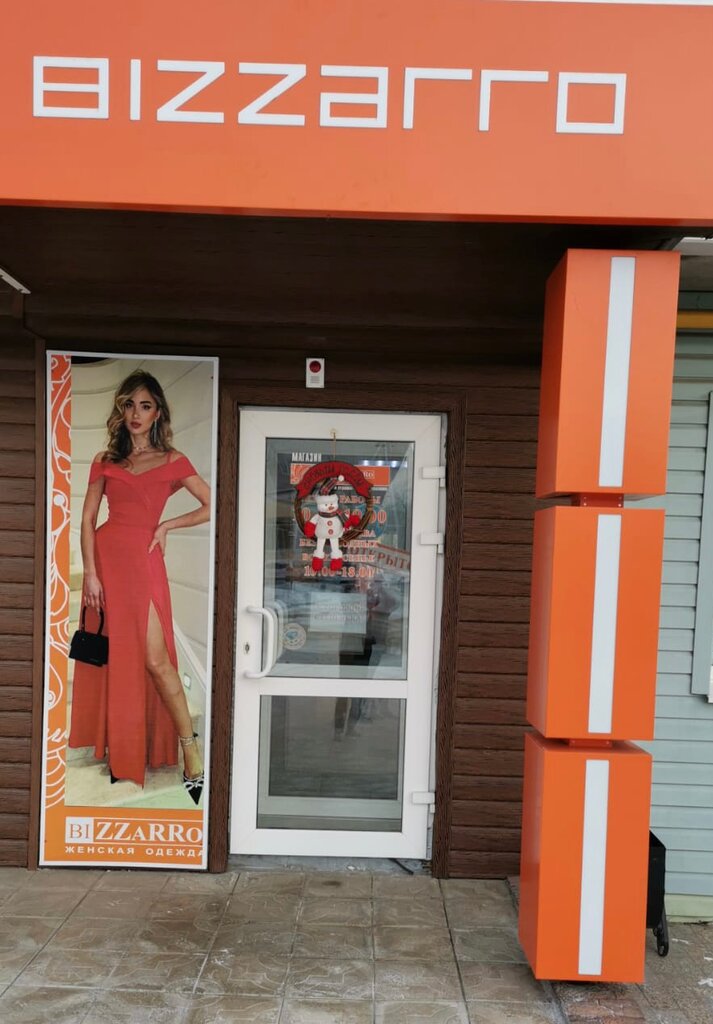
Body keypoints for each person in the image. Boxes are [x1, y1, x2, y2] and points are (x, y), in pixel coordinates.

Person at [68, 369, 211, 805]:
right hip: (108, 564)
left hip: (144, 563)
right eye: (129, 404)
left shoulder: (172, 460)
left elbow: (213, 504)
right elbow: (87, 520)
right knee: (119, 659)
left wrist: (167, 525)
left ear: (157, 413)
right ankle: (124, 751)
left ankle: (190, 749)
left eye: (145, 406)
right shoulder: (105, 460)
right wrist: (91, 574)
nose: (135, 413)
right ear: (121, 409)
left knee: (155, 660)